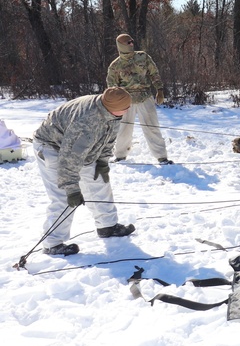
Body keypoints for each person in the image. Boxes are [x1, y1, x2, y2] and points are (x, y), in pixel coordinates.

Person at [33, 87, 137, 256]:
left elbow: (108, 137)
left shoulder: (111, 109)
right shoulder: (86, 122)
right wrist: (72, 189)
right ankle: (52, 243)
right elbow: (68, 159)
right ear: (113, 107)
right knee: (64, 196)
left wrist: (102, 161)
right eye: (125, 108)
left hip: (79, 146)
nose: (128, 110)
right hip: (52, 146)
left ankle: (107, 226)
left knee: (98, 181)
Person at [106, 33, 171, 164]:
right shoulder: (115, 65)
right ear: (121, 46)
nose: (132, 44)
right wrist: (114, 103)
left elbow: (154, 73)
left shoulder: (143, 57)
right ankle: (120, 156)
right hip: (125, 101)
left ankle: (162, 157)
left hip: (145, 97)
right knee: (123, 129)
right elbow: (111, 85)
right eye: (128, 42)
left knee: (152, 127)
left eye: (132, 41)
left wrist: (159, 90)